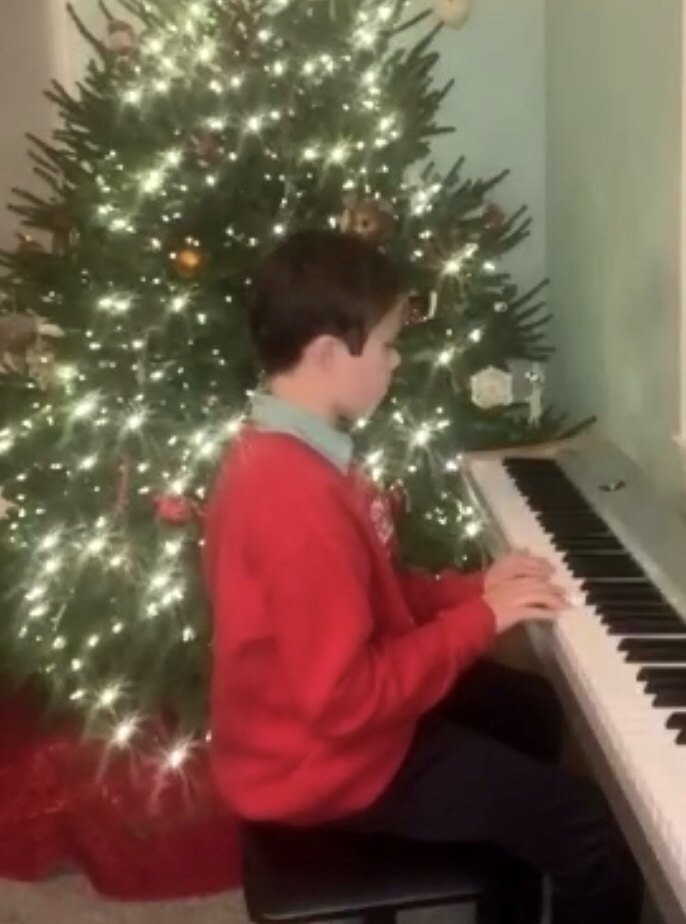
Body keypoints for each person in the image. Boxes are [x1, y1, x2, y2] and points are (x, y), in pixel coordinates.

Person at [204, 228, 642, 924]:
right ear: (328, 354)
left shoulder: (296, 449)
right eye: (385, 343)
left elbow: (373, 590)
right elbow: (347, 700)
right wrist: (480, 622)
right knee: (596, 835)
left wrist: (475, 590)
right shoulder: (293, 500)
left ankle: (509, 894)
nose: (396, 358)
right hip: (320, 763)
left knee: (532, 711)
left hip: (321, 729)